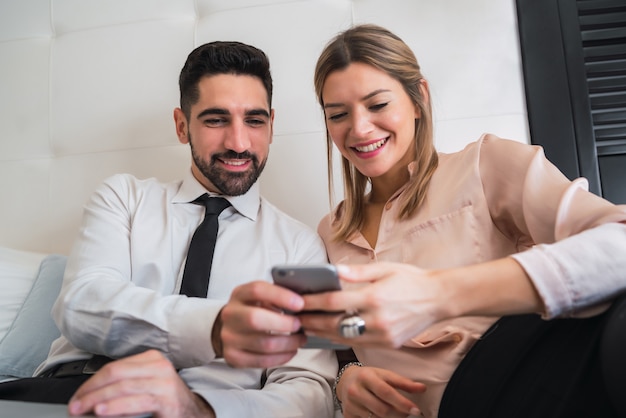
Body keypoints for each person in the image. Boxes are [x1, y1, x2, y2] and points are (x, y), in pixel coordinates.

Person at [217, 24, 626, 418]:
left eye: (378, 105)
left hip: (530, 369)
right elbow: (338, 349)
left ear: (418, 98)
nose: (359, 129)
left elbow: (618, 244)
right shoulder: (328, 234)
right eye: (338, 114)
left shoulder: (487, 164)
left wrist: (438, 294)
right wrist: (347, 379)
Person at [0, 41, 336, 418]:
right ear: (181, 125)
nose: (238, 142)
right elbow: (82, 304)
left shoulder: (303, 247)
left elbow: (309, 388)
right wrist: (215, 327)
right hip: (71, 392)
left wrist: (203, 408)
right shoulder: (123, 198)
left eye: (254, 121)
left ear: (272, 126)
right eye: (216, 119)